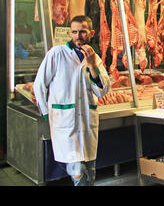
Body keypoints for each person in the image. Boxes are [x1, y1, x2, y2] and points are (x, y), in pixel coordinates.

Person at [34, 15, 111, 185]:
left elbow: (102, 90)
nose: (78, 36)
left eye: (82, 32)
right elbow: (39, 85)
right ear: (70, 32)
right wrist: (47, 115)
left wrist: (92, 65)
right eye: (74, 32)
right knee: (78, 171)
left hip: (87, 123)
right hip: (64, 122)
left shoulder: (94, 58)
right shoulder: (57, 53)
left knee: (90, 172)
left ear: (90, 33)